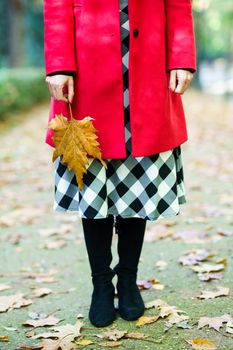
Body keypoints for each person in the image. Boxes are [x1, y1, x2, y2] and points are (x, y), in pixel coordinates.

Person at [43, 0, 196, 327]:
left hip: (150, 70)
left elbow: (179, 5)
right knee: (94, 184)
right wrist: (58, 63)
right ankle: (101, 284)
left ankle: (127, 279)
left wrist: (181, 56)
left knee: (137, 182)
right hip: (87, 70)